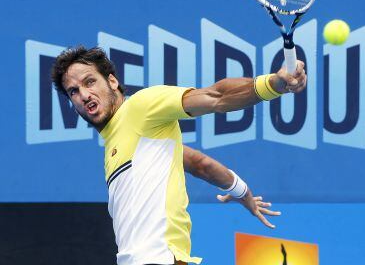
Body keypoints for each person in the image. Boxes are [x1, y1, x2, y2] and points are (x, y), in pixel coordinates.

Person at [50, 46, 307, 265]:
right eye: (73, 91)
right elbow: (198, 163)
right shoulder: (123, 141)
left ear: (112, 81)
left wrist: (274, 84)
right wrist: (242, 191)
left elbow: (215, 96)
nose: (83, 95)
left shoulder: (141, 107)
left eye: (89, 81)